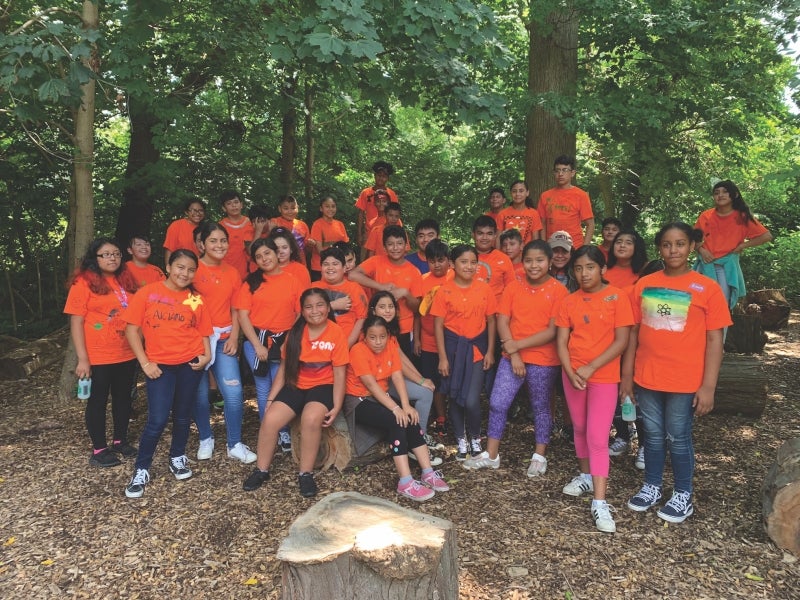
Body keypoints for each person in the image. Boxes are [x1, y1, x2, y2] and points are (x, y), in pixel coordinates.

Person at [623, 222, 731, 523]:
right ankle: (653, 486)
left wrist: (708, 387)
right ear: (660, 247)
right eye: (668, 244)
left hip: (685, 380)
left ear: (691, 247)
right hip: (648, 377)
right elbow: (632, 334)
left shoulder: (707, 288)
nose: (674, 250)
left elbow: (715, 340)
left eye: (680, 244)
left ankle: (683, 493)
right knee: (654, 435)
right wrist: (627, 377)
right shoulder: (643, 285)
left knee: (678, 436)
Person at [463, 240, 568, 476]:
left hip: (543, 359)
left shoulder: (559, 291)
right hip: (512, 358)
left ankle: (540, 455)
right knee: (498, 402)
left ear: (549, 262)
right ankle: (491, 455)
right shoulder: (513, 287)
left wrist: (515, 346)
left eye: (539, 260)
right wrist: (515, 354)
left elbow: (552, 331)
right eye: (529, 260)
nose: (533, 265)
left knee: (541, 407)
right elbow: (502, 320)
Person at [556, 245, 634, 533]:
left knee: (598, 436)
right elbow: (562, 340)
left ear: (602, 269)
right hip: (573, 374)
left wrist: (590, 368)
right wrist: (569, 369)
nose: (583, 273)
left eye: (589, 267)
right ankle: (585, 475)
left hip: (603, 377)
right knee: (578, 427)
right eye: (578, 268)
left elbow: (621, 341)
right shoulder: (569, 301)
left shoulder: (617, 297)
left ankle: (600, 503)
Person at [123, 249, 213, 498]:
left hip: (189, 364)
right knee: (158, 419)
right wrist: (145, 363)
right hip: (159, 367)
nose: (185, 273)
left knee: (183, 416)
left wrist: (206, 356)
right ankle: (141, 469)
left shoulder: (195, 298)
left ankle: (177, 456)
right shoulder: (148, 293)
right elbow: (132, 330)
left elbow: (204, 330)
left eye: (191, 269)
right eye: (180, 267)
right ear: (169, 266)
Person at [243, 288, 349, 498]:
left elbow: (339, 374)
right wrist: (272, 398)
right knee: (271, 419)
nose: (315, 310)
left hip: (323, 386)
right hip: (297, 385)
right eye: (308, 307)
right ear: (302, 311)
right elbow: (283, 370)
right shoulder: (295, 334)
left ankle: (305, 474)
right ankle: (261, 470)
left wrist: (337, 405)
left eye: (320, 305)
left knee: (311, 419)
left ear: (328, 308)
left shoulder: (336, 333)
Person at [344, 316, 450, 501]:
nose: (378, 342)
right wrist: (396, 408)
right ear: (364, 337)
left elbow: (397, 377)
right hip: (359, 400)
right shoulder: (358, 351)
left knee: (410, 416)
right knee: (397, 420)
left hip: (381, 397)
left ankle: (427, 472)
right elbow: (371, 385)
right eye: (373, 337)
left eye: (382, 337)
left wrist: (406, 405)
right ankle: (405, 482)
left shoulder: (391, 348)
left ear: (388, 336)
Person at [64, 238, 140, 468]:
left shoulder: (125, 280)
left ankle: (120, 440)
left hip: (126, 352)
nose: (112, 258)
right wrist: (83, 359)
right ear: (94, 259)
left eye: (116, 253)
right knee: (97, 401)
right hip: (98, 355)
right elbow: (76, 323)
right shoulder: (83, 283)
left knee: (123, 398)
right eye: (105, 254)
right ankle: (99, 449)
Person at [191, 223, 256, 464]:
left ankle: (234, 443)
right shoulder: (192, 269)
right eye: (213, 241)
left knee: (234, 392)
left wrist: (234, 336)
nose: (219, 245)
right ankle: (205, 439)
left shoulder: (231, 272)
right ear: (202, 244)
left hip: (224, 339)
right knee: (198, 394)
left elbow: (237, 307)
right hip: (196, 341)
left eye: (223, 241)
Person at [235, 238, 303, 458]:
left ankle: (282, 431)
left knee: (281, 386)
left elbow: (300, 313)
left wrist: (290, 340)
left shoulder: (292, 280)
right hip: (257, 340)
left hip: (284, 341)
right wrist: (256, 345)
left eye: (267, 253)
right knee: (263, 390)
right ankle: (269, 431)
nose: (264, 259)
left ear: (277, 253)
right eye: (259, 256)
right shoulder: (250, 283)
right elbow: (243, 315)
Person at [431, 244, 497, 460]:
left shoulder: (484, 289)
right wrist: (442, 357)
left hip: (477, 349)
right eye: (463, 261)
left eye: (473, 262)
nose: (469, 266)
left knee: (471, 399)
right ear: (453, 264)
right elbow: (438, 325)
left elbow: (491, 320)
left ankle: (475, 437)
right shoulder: (444, 291)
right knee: (454, 395)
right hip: (452, 350)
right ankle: (461, 438)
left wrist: (490, 351)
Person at [369, 291, 441, 466]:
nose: (387, 311)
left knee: (425, 391)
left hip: (390, 379)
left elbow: (401, 357)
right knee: (425, 393)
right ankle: (417, 442)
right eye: (382, 307)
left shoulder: (389, 330)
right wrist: (421, 381)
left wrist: (420, 378)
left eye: (391, 306)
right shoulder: (373, 330)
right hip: (377, 385)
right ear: (373, 310)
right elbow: (399, 363)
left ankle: (419, 437)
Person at [604, 228, 649, 461]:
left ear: (636, 247)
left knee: (634, 391)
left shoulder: (643, 274)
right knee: (612, 391)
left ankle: (644, 444)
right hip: (606, 340)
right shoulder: (603, 271)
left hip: (637, 338)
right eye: (618, 242)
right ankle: (622, 435)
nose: (621, 245)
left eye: (628, 242)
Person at [693, 180, 773, 309]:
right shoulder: (706, 216)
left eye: (725, 192)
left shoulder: (742, 217)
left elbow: (766, 236)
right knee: (697, 304)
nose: (720, 195)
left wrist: (742, 246)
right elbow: (692, 239)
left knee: (720, 306)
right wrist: (702, 250)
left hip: (725, 267)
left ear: (734, 195)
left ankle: (720, 330)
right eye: (716, 193)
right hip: (704, 265)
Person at [348, 225, 423, 358]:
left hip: (403, 329)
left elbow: (417, 308)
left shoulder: (414, 271)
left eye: (399, 243)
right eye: (390, 244)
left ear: (406, 245)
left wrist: (405, 293)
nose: (395, 248)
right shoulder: (376, 261)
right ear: (384, 246)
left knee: (401, 367)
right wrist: (379, 286)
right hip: (377, 325)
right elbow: (352, 275)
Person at [414, 239, 452, 435]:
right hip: (428, 340)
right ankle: (440, 417)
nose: (437, 265)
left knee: (452, 380)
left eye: (441, 260)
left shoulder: (455, 277)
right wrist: (418, 339)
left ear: (448, 261)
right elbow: (418, 313)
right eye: (432, 261)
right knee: (433, 380)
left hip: (451, 339)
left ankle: (455, 416)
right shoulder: (422, 280)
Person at [316, 247, 368, 348]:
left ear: (344, 268)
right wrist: (333, 305)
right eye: (326, 264)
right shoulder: (313, 288)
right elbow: (306, 314)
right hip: (320, 346)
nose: (330, 267)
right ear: (321, 268)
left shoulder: (354, 289)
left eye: (335, 264)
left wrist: (347, 345)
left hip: (347, 344)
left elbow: (362, 319)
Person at [538, 156, 594, 247]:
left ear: (572, 173)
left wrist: (584, 248)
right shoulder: (545, 196)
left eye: (564, 170)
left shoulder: (581, 195)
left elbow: (590, 224)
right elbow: (542, 223)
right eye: (557, 170)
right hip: (551, 246)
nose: (560, 174)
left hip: (575, 246)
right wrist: (544, 246)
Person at [355, 161, 399, 245]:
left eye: (384, 176)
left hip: (387, 232)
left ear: (387, 178)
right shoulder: (366, 192)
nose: (381, 178)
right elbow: (361, 214)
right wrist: (359, 234)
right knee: (366, 257)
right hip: (369, 232)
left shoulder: (391, 194)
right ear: (375, 176)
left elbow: (395, 214)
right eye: (379, 175)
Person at [307, 196, 350, 281]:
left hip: (338, 267)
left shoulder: (340, 224)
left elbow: (345, 247)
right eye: (327, 206)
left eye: (333, 206)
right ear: (321, 209)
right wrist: (333, 261)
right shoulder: (317, 224)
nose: (330, 209)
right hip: (320, 268)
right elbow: (320, 251)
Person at [218, 190, 256, 280]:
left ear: (241, 204)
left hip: (250, 271)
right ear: (224, 208)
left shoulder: (252, 223)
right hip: (226, 270)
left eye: (236, 202)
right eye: (229, 203)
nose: (234, 205)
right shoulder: (220, 226)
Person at [497, 180, 543, 244]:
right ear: (511, 193)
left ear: (527, 193)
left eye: (521, 191)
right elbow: (498, 239)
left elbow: (535, 239)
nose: (517, 194)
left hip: (527, 253)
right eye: (514, 191)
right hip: (506, 253)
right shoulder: (502, 214)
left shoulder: (534, 213)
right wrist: (498, 254)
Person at [163, 198, 206, 266]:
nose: (197, 213)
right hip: (180, 266)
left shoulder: (206, 228)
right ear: (186, 212)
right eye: (193, 210)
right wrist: (169, 270)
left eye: (201, 210)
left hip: (201, 267)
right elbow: (169, 250)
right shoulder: (176, 225)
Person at [270, 195, 310, 262]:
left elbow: (307, 250)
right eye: (286, 208)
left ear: (297, 208)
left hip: (300, 264)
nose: (290, 211)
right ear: (279, 209)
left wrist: (310, 245)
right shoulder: (274, 222)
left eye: (293, 208)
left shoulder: (303, 225)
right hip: (279, 264)